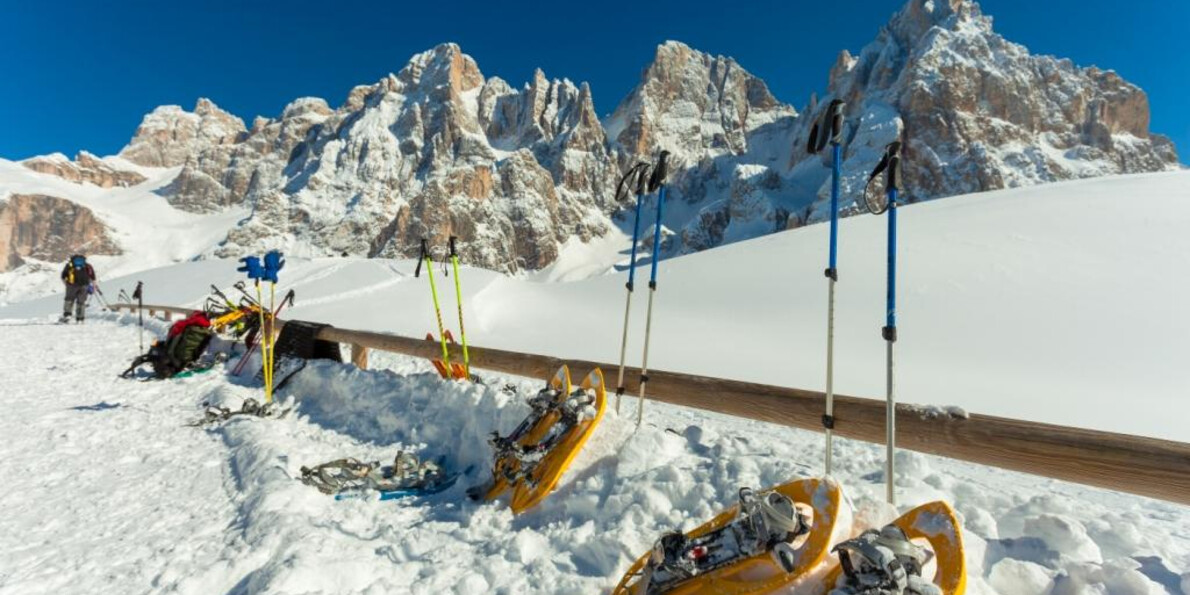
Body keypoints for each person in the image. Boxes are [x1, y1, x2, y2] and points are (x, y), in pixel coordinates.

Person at [60, 254, 97, 323]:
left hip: (71, 285)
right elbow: (93, 277)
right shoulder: (88, 266)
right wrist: (93, 285)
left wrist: (66, 284)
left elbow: (63, 276)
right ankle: (80, 318)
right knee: (81, 302)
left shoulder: (69, 265)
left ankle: (67, 315)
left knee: (69, 300)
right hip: (84, 285)